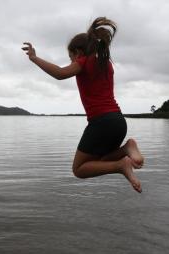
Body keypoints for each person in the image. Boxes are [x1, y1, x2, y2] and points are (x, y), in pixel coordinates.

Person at [22, 17, 144, 193]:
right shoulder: (105, 64)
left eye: (71, 57)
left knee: (79, 169)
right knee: (99, 161)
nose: (71, 61)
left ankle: (121, 165)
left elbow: (60, 73)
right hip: (118, 121)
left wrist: (34, 58)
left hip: (101, 122)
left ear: (78, 52)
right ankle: (126, 148)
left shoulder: (84, 61)